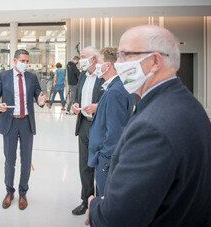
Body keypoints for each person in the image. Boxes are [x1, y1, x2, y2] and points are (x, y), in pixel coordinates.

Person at [86, 25, 211, 226]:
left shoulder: (153, 127)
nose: (118, 64)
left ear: (154, 61)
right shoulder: (185, 103)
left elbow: (117, 219)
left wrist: (95, 207)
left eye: (124, 55)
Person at [0, 49, 46, 210]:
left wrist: (41, 101)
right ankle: (9, 191)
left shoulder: (32, 77)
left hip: (26, 123)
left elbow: (38, 96)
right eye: (23, 60)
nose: (25, 64)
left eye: (27, 61)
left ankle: (23, 192)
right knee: (10, 160)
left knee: (26, 159)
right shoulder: (3, 77)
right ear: (14, 61)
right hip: (10, 122)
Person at [87, 47, 135, 196]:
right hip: (110, 157)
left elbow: (115, 131)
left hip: (108, 160)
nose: (96, 66)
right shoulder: (121, 85)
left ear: (107, 65)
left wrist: (104, 158)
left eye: (99, 62)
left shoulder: (115, 91)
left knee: (105, 196)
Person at [71, 46, 105, 216]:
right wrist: (75, 105)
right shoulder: (83, 75)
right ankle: (86, 201)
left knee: (100, 166)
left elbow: (111, 100)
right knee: (84, 165)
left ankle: (100, 203)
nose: (80, 59)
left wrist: (97, 107)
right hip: (84, 123)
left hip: (99, 125)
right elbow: (78, 96)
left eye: (83, 56)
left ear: (93, 59)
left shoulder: (104, 76)